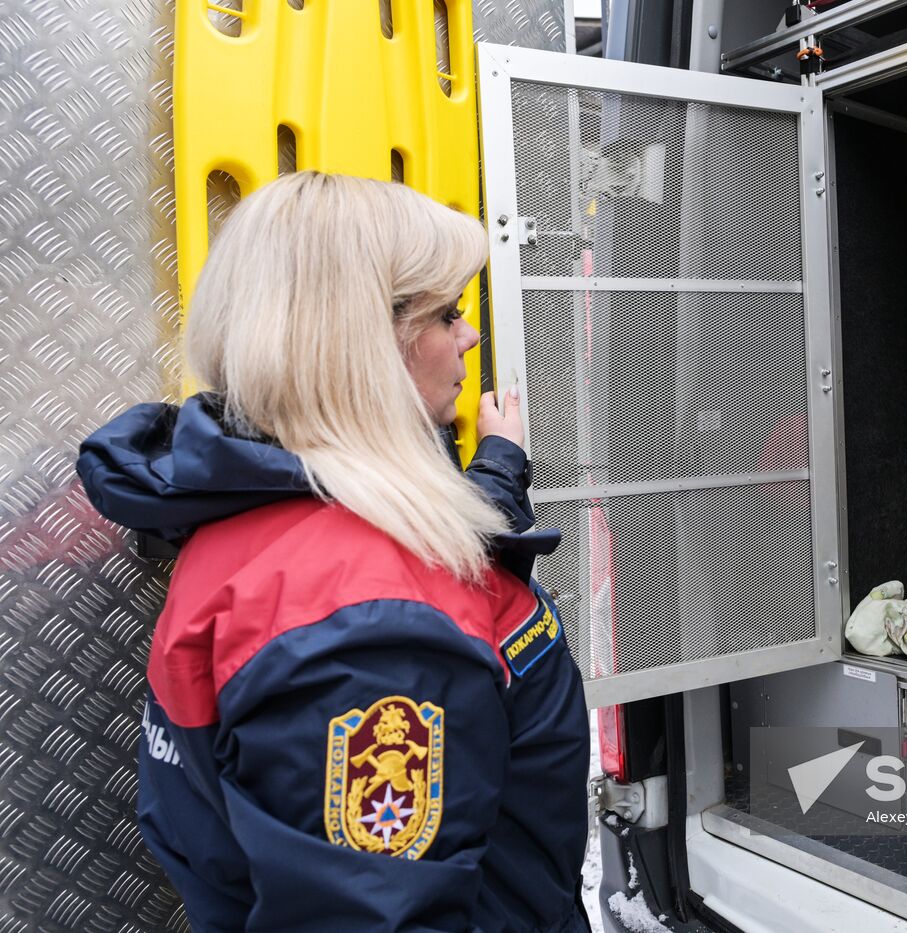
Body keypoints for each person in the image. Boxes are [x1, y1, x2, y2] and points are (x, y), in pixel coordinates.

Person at [76, 172, 590, 932]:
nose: (469, 334)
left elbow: (433, 560)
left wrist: (500, 464)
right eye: (447, 313)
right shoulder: (374, 629)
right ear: (366, 344)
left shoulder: (265, 505)